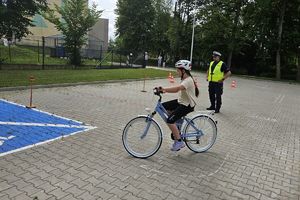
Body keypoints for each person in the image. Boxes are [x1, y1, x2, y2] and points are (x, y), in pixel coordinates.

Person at [158, 60, 199, 151]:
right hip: (181, 102)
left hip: (187, 105)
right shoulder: (184, 79)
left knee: (170, 120)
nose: (177, 72)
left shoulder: (188, 80)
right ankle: (177, 125)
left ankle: (179, 141)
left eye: (178, 70)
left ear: (183, 71)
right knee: (163, 106)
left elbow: (177, 89)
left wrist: (164, 89)